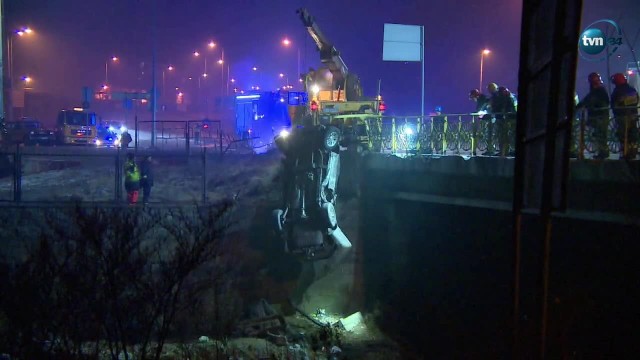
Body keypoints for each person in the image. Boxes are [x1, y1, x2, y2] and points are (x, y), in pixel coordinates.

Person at [576, 72, 610, 159]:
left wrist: (586, 106)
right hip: (599, 116)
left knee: (601, 134)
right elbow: (587, 99)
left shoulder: (599, 91)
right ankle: (603, 151)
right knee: (600, 134)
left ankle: (603, 152)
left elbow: (592, 101)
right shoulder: (596, 91)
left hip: (600, 116)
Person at [610, 72, 639, 160]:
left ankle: (625, 152)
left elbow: (614, 104)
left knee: (623, 135)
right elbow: (636, 101)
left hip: (622, 116)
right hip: (633, 115)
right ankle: (633, 152)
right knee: (633, 133)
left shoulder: (617, 91)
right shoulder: (632, 89)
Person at [489, 83, 517, 156]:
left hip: (504, 117)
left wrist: (495, 111)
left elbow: (500, 106)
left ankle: (504, 151)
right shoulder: (510, 96)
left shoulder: (500, 96)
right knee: (508, 135)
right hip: (509, 117)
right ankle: (507, 151)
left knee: (503, 135)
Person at [469, 89, 491, 155]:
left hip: (487, 118)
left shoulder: (483, 98)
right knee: (486, 134)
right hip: (484, 118)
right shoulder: (481, 98)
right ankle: (488, 149)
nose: (473, 100)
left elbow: (483, 107)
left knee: (488, 134)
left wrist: (479, 112)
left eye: (473, 98)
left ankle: (489, 150)